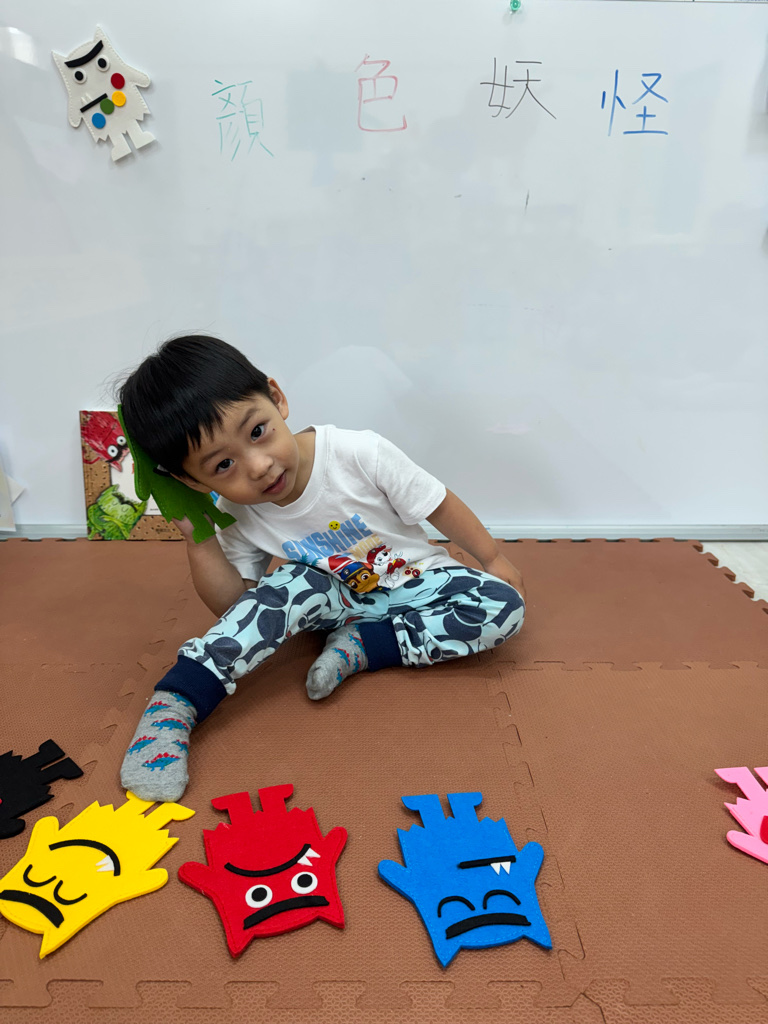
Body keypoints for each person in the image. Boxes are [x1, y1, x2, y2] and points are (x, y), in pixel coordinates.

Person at [118, 336, 526, 801]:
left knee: (504, 606)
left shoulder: (359, 453)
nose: (259, 466)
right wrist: (200, 540)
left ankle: (365, 646)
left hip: (417, 580)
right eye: (224, 464)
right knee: (292, 582)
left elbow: (438, 504)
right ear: (193, 481)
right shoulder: (237, 510)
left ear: (276, 398)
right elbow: (236, 607)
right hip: (331, 598)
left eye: (258, 432)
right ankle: (175, 702)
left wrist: (491, 557)